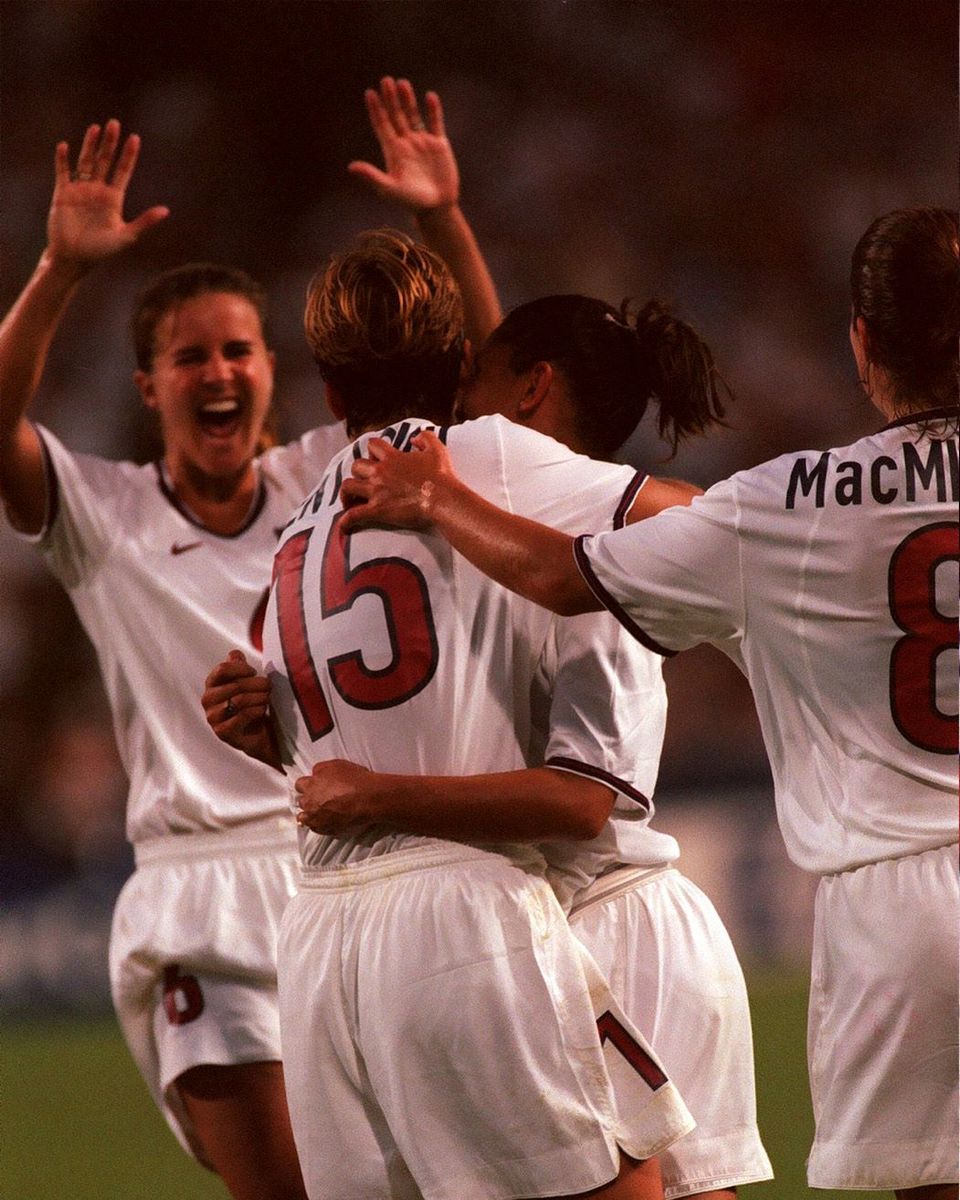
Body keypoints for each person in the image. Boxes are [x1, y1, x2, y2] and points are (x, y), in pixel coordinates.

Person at [340, 206, 960, 1200]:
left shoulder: (791, 504)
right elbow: (551, 471)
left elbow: (566, 563)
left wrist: (438, 495)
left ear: (863, 340)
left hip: (887, 907)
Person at [294, 76, 775, 1200]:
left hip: (612, 909)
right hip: (541, 914)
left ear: (528, 390)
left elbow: (665, 512)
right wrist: (445, 223)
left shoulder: (541, 500)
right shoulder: (509, 487)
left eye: (483, 380)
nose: (461, 398)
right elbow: (484, 429)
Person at [211, 226, 719, 1200]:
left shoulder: (302, 513)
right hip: (460, 917)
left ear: (325, 392)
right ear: (457, 372)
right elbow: (694, 521)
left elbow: (330, 724)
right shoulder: (479, 456)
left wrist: (258, 721)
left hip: (317, 953)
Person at [0, 119, 347, 1199]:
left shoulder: (326, 481)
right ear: (149, 388)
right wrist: (59, 271)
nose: (217, 372)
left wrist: (442, 217)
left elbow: (496, 407)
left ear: (270, 371)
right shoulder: (104, 516)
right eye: (188, 356)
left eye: (236, 349)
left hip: (343, 877)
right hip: (201, 898)